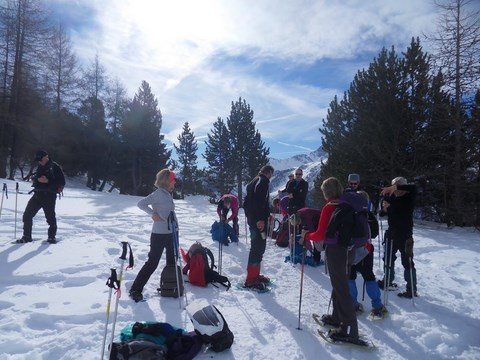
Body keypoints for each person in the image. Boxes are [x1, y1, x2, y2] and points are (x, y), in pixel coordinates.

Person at [299, 177, 359, 342]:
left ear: (326, 192)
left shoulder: (329, 207)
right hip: (349, 249)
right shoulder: (345, 204)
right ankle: (336, 318)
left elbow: (320, 234)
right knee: (339, 285)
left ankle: (349, 330)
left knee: (341, 289)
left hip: (336, 250)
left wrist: (306, 235)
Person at [129, 169, 177, 303]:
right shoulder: (158, 194)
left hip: (170, 232)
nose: (175, 181)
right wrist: (152, 214)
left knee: (171, 261)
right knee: (152, 263)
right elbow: (141, 204)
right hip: (159, 234)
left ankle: (171, 285)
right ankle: (135, 289)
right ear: (167, 180)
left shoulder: (168, 194)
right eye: (173, 179)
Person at [348, 191, 387, 316]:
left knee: (350, 277)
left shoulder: (349, 213)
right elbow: (374, 233)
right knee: (369, 276)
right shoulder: (368, 215)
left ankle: (353, 304)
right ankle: (377, 306)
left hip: (351, 250)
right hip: (366, 250)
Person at [378, 176, 418, 298]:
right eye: (395, 186)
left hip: (405, 235)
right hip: (391, 233)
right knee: (388, 259)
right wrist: (384, 209)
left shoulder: (409, 196)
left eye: (399, 186)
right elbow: (383, 213)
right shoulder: (392, 197)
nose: (397, 189)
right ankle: (388, 280)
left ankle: (411, 289)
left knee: (408, 261)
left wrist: (394, 186)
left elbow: (414, 187)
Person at [17, 150, 65, 244]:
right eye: (38, 160)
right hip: (37, 194)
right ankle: (27, 236)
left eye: (41, 159)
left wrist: (48, 182)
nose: (39, 161)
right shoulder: (40, 166)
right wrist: (36, 179)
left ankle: (51, 237)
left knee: (50, 218)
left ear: (46, 157)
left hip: (49, 196)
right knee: (27, 215)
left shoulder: (55, 167)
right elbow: (37, 180)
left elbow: (62, 183)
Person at [243, 165, 274, 290]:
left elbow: (246, 203)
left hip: (253, 221)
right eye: (271, 174)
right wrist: (260, 219)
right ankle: (251, 279)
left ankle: (254, 275)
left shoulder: (253, 182)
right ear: (269, 173)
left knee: (257, 248)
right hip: (258, 222)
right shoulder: (263, 182)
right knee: (258, 248)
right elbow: (260, 202)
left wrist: (251, 218)